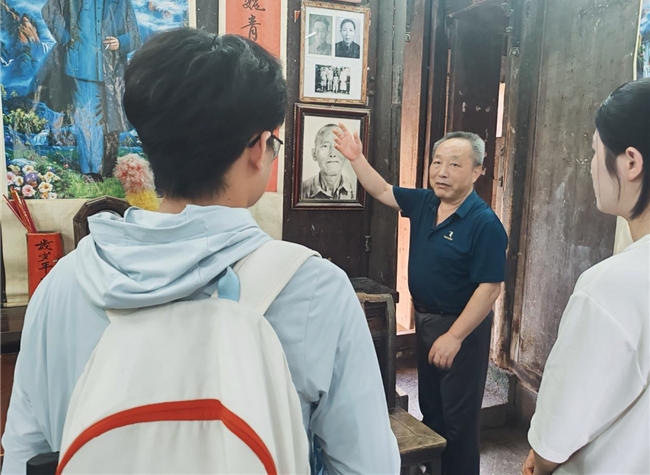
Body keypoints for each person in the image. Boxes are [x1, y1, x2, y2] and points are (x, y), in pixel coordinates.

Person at [1, 29, 399, 475]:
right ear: (257, 148)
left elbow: (23, 456)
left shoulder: (62, 285)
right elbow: (367, 466)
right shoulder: (314, 290)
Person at [334, 126, 507, 475]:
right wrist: (356, 158)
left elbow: (490, 288)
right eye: (437, 162)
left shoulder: (484, 223)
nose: (442, 172)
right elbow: (383, 190)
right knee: (433, 412)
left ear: (477, 171)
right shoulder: (427, 202)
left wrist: (454, 337)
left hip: (461, 328)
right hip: (427, 321)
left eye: (454, 164)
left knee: (458, 423)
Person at [521, 78, 650, 475]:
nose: (592, 165)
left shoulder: (611, 286)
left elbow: (553, 440)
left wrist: (539, 460)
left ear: (631, 162)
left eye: (595, 151)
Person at [39, 0, 141, 178]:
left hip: (112, 76)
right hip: (81, 70)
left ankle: (104, 171)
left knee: (111, 124)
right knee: (86, 119)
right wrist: (66, 38)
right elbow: (48, 11)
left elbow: (135, 37)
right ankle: (90, 172)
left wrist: (121, 42)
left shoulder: (122, 1)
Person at [301, 123, 356, 201]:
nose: (332, 154)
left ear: (346, 154)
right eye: (325, 146)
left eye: (338, 146)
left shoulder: (356, 189)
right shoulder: (301, 190)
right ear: (314, 154)